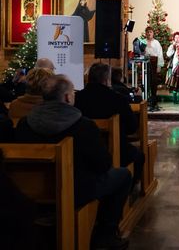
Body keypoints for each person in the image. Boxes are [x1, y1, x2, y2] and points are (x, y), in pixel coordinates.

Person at [16, 75, 131, 249]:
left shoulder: (25, 123)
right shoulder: (83, 125)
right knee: (123, 175)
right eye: (72, 93)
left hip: (31, 190)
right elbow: (103, 164)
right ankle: (105, 235)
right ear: (67, 97)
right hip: (77, 190)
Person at [75, 63, 144, 189]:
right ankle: (128, 190)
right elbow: (132, 128)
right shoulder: (118, 99)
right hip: (116, 149)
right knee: (139, 156)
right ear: (107, 80)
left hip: (81, 150)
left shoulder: (77, 98)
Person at [144, 26, 164, 111]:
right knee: (146, 82)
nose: (149, 33)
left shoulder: (156, 43)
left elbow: (160, 54)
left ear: (153, 33)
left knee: (153, 82)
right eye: (147, 32)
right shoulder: (143, 42)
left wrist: (159, 66)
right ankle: (146, 101)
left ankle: (153, 101)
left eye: (150, 32)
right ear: (145, 33)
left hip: (154, 64)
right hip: (145, 64)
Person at [166, 32, 179, 104]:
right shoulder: (171, 46)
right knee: (173, 82)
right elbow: (168, 54)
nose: (177, 39)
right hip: (172, 65)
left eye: (178, 37)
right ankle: (174, 98)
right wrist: (173, 48)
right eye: (176, 37)